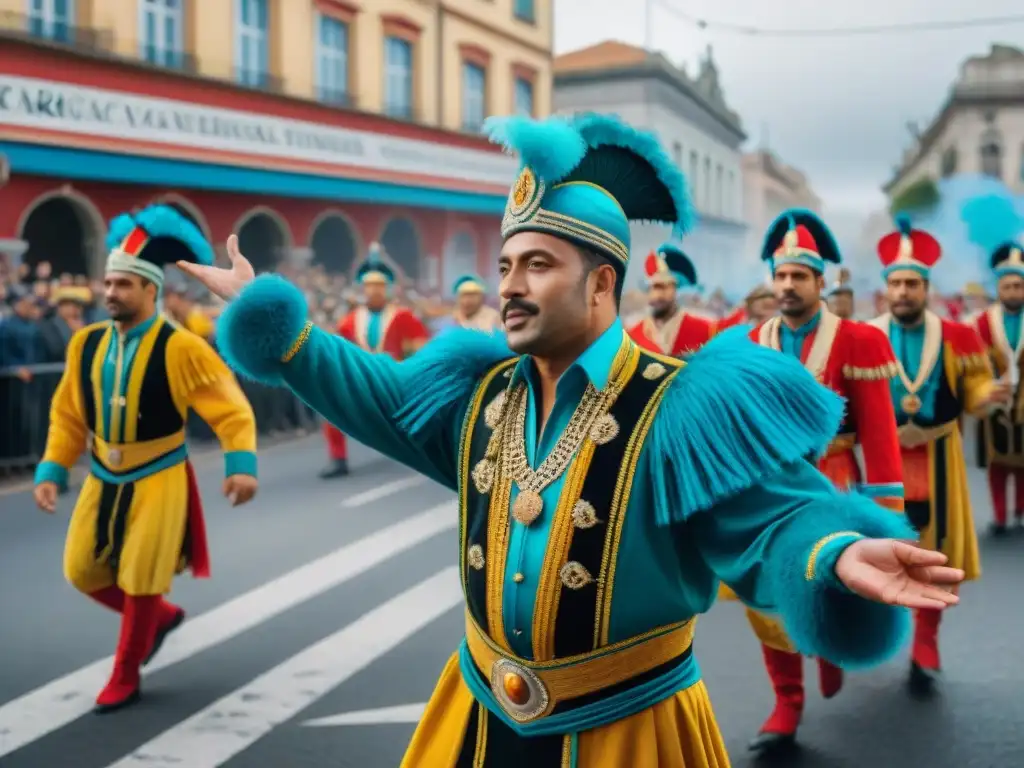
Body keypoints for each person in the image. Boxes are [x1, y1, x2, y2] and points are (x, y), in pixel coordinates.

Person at [184, 113, 962, 767]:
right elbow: (374, 394)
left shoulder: (676, 406)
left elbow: (778, 521)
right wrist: (274, 322)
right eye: (506, 264)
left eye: (539, 265)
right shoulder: (481, 396)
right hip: (480, 714)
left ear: (601, 283)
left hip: (629, 730)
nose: (510, 286)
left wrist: (835, 552)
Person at [32, 204, 259, 714]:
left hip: (159, 474)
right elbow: (68, 413)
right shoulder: (85, 344)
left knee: (139, 578)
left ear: (151, 289)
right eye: (108, 283)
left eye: (124, 285)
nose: (111, 293)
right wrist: (51, 470)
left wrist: (240, 464)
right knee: (82, 570)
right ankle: (158, 617)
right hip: (102, 473)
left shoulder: (182, 347)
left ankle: (125, 670)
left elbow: (230, 409)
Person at [740, 209, 904, 755]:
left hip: (834, 483)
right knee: (766, 600)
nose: (787, 285)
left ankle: (830, 646)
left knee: (830, 582)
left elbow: (879, 435)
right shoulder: (744, 342)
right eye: (780, 275)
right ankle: (787, 703)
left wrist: (887, 513)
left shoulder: (858, 341)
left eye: (799, 276)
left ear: (820, 281)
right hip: (766, 489)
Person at [868, 214, 1007, 693]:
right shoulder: (863, 335)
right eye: (897, 283)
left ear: (926, 287)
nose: (904, 291)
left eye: (913, 283)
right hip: (878, 458)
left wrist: (986, 393)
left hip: (939, 453)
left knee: (934, 551)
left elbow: (973, 385)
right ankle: (876, 635)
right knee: (876, 547)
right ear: (886, 288)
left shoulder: (958, 336)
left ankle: (927, 641)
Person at [319, 243, 430, 478]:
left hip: (396, 378)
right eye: (369, 287)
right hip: (361, 380)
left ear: (387, 289)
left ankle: (430, 450)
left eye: (379, 286)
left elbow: (421, 349)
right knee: (331, 406)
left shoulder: (403, 316)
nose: (374, 291)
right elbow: (339, 353)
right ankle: (338, 459)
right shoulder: (348, 321)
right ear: (362, 289)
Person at [971, 238, 1024, 534]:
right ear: (998, 289)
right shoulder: (980, 323)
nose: (1013, 292)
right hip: (995, 400)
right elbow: (973, 364)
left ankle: (1020, 511)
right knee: (997, 462)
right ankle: (1001, 515)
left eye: (1018, 286)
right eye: (1008, 287)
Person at [627, 242, 714, 356]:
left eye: (662, 287)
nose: (656, 295)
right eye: (651, 288)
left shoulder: (702, 330)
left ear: (676, 288)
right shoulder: (633, 335)